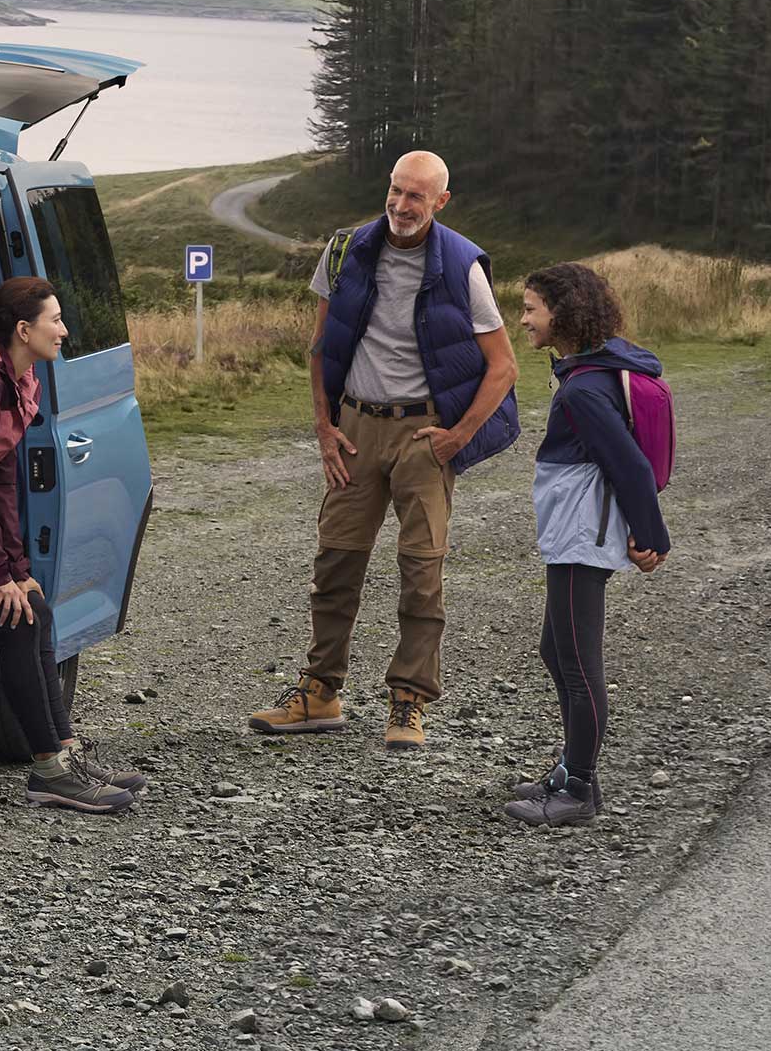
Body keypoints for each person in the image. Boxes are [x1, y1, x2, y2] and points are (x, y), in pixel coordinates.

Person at [248, 151, 520, 750]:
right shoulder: (346, 251)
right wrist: (324, 428)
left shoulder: (462, 266)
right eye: (396, 191)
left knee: (422, 571)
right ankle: (320, 692)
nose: (401, 206)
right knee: (336, 564)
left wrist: (457, 437)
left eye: (416, 196)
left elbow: (503, 367)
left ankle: (408, 702)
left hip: (424, 436)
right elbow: (321, 348)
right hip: (355, 431)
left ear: (440, 202)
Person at [0, 276, 139, 813]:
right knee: (17, 618)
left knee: (36, 608)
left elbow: (0, 479)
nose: (65, 331)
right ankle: (47, 769)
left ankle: (64, 752)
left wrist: (17, 567)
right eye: (56, 320)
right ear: (24, 329)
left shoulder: (22, 382)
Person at [504, 263, 669, 827]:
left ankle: (578, 788)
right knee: (557, 651)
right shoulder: (584, 372)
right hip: (573, 529)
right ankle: (571, 771)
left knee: (578, 663)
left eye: (531, 309)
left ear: (563, 313)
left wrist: (652, 536)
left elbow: (631, 467)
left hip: (581, 533)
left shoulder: (584, 389)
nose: (522, 319)